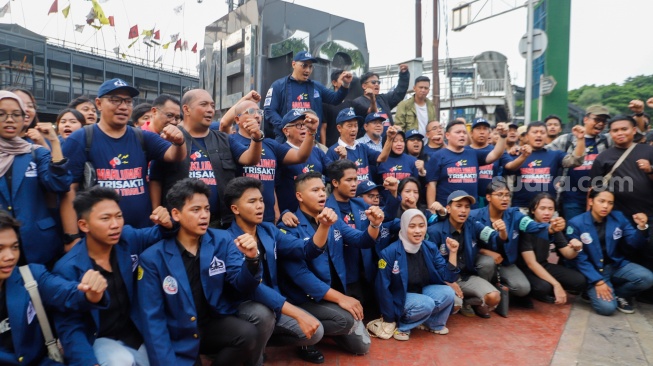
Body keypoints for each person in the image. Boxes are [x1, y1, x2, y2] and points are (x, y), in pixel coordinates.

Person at [137, 178, 275, 366]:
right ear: (176, 214)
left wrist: (252, 260)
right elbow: (153, 319)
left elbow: (242, 285)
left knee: (248, 334)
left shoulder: (221, 239)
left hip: (210, 322)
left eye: (207, 209)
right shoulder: (152, 258)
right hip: (177, 330)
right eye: (195, 210)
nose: (204, 216)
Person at [53, 186, 173, 366]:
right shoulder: (68, 268)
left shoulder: (127, 238)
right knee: (122, 361)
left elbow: (159, 233)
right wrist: (88, 362)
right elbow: (70, 326)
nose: (115, 224)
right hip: (98, 338)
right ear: (84, 225)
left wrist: (168, 222)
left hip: (135, 331)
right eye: (105, 218)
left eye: (118, 216)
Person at [60, 78, 187, 248]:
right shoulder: (81, 139)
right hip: (99, 240)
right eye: (115, 100)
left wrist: (179, 142)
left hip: (142, 236)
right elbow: (69, 191)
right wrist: (72, 237)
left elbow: (174, 156)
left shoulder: (143, 137)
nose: (123, 106)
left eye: (128, 101)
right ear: (99, 103)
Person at [225, 177, 331, 363]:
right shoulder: (226, 239)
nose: (260, 206)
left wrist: (324, 226)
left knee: (315, 334)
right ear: (235, 209)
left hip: (273, 303)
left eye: (260, 200)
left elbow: (306, 250)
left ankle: (259, 341)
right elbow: (252, 287)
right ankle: (251, 355)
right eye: (252, 201)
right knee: (262, 314)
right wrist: (297, 313)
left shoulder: (268, 230)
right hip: (242, 307)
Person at [278, 172, 383, 356]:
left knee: (362, 347)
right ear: (299, 196)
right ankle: (304, 338)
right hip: (303, 300)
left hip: (329, 296)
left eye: (322, 190)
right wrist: (341, 298)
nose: (322, 194)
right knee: (345, 321)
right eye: (315, 190)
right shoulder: (288, 226)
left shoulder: (332, 219)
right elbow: (302, 276)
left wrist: (374, 225)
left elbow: (362, 240)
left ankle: (323, 325)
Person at [0, 210, 110, 365]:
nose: (10, 256)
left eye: (14, 247)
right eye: (0, 249)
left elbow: (67, 292)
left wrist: (90, 293)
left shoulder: (30, 276)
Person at [149, 89, 263, 228]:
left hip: (220, 224)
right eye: (204, 105)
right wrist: (157, 211)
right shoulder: (169, 137)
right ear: (186, 109)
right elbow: (155, 179)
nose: (210, 110)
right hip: (180, 226)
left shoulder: (224, 139)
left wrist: (257, 138)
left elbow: (250, 159)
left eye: (212, 106)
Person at [0, 91, 71, 265]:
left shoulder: (35, 152)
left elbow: (59, 184)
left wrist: (54, 142)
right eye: (1, 114)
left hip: (38, 244)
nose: (10, 119)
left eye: (16, 114)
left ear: (25, 118)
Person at [566, 187, 653, 315]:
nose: (605, 206)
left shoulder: (618, 218)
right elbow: (580, 259)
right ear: (591, 201)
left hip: (615, 265)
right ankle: (592, 290)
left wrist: (641, 227)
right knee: (607, 309)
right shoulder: (576, 223)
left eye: (610, 203)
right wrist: (598, 281)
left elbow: (634, 244)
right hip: (593, 270)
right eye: (601, 201)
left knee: (648, 278)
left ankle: (619, 294)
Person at [469, 179, 554, 307]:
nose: (505, 199)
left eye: (507, 195)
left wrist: (550, 228)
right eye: (500, 195)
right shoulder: (474, 216)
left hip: (506, 263)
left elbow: (532, 226)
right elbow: (467, 242)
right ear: (488, 197)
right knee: (487, 263)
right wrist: (485, 251)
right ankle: (481, 297)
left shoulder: (515, 214)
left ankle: (497, 291)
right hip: (482, 261)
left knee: (523, 288)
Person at [376, 209, 457, 341]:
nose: (418, 231)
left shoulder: (430, 247)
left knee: (448, 292)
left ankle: (432, 323)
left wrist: (453, 253)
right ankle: (403, 326)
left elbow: (448, 277)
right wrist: (388, 318)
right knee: (426, 303)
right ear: (403, 227)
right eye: (412, 226)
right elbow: (382, 288)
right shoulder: (389, 253)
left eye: (421, 225)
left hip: (422, 293)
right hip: (401, 298)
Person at [231, 100, 318, 223]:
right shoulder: (230, 141)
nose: (256, 115)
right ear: (237, 119)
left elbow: (300, 156)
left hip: (269, 218)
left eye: (259, 112)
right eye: (250, 112)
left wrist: (311, 132)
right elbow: (223, 124)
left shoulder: (270, 144)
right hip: (241, 219)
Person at [427, 190, 503, 318]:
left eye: (467, 207)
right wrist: (448, 282)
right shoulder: (434, 231)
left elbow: (494, 237)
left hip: (466, 277)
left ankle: (468, 302)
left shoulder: (473, 224)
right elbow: (429, 265)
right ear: (448, 209)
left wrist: (502, 232)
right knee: (454, 305)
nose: (463, 210)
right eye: (459, 206)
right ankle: (459, 303)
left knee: (494, 298)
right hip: (443, 279)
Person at [264, 51, 352, 143]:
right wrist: (285, 126)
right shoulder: (279, 85)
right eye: (304, 65)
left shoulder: (316, 86)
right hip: (286, 141)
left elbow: (335, 99)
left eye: (310, 67)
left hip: (311, 141)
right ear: (294, 64)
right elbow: (269, 110)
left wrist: (345, 84)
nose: (307, 70)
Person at [517, 193, 587, 304]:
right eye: (542, 208)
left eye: (550, 209)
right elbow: (531, 263)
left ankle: (550, 287)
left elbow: (567, 253)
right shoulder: (527, 226)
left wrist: (576, 248)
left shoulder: (553, 226)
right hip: (525, 268)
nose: (547, 213)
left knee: (579, 280)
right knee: (544, 287)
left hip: (543, 264)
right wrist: (556, 284)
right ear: (533, 210)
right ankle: (541, 291)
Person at [425, 120, 508, 210]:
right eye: (458, 132)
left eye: (464, 132)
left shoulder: (473, 154)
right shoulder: (438, 156)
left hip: (472, 211)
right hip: (447, 211)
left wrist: (503, 136)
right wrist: (432, 209)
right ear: (447, 135)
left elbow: (496, 154)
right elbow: (431, 184)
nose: (462, 135)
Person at [547, 105, 612, 219]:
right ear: (585, 119)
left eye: (604, 121)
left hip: (599, 199)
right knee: (574, 232)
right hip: (571, 198)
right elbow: (542, 152)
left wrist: (639, 114)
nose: (601, 124)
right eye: (597, 119)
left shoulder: (607, 140)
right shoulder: (567, 139)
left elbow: (635, 136)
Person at [503, 121, 585, 211]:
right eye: (535, 132)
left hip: (548, 210)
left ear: (546, 136)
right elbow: (508, 169)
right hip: (521, 209)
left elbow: (576, 162)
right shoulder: (516, 154)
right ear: (526, 136)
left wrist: (580, 139)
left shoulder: (555, 155)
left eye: (542, 133)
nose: (539, 135)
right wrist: (523, 155)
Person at [276, 109, 333, 214]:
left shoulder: (317, 151)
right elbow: (273, 187)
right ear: (286, 131)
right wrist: (283, 213)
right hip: (292, 215)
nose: (303, 127)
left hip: (318, 214)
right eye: (298, 125)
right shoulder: (280, 152)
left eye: (305, 124)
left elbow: (334, 173)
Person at [326, 109, 396, 182]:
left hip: (366, 192)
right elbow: (331, 179)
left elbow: (382, 158)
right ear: (339, 128)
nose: (353, 129)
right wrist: (342, 159)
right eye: (349, 126)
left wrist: (389, 139)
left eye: (356, 126)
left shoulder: (362, 147)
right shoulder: (333, 151)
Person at [352, 66, 410, 138]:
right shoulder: (358, 102)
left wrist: (404, 75)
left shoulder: (383, 99)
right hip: (369, 145)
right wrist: (372, 98)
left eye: (378, 82)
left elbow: (399, 93)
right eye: (373, 82)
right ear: (364, 86)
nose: (377, 84)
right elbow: (372, 113)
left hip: (387, 143)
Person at [468, 118, 512, 208]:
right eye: (478, 129)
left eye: (485, 129)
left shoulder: (496, 150)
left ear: (489, 133)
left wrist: (503, 136)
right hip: (470, 198)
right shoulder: (465, 151)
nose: (482, 132)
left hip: (491, 198)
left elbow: (510, 165)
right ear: (471, 133)